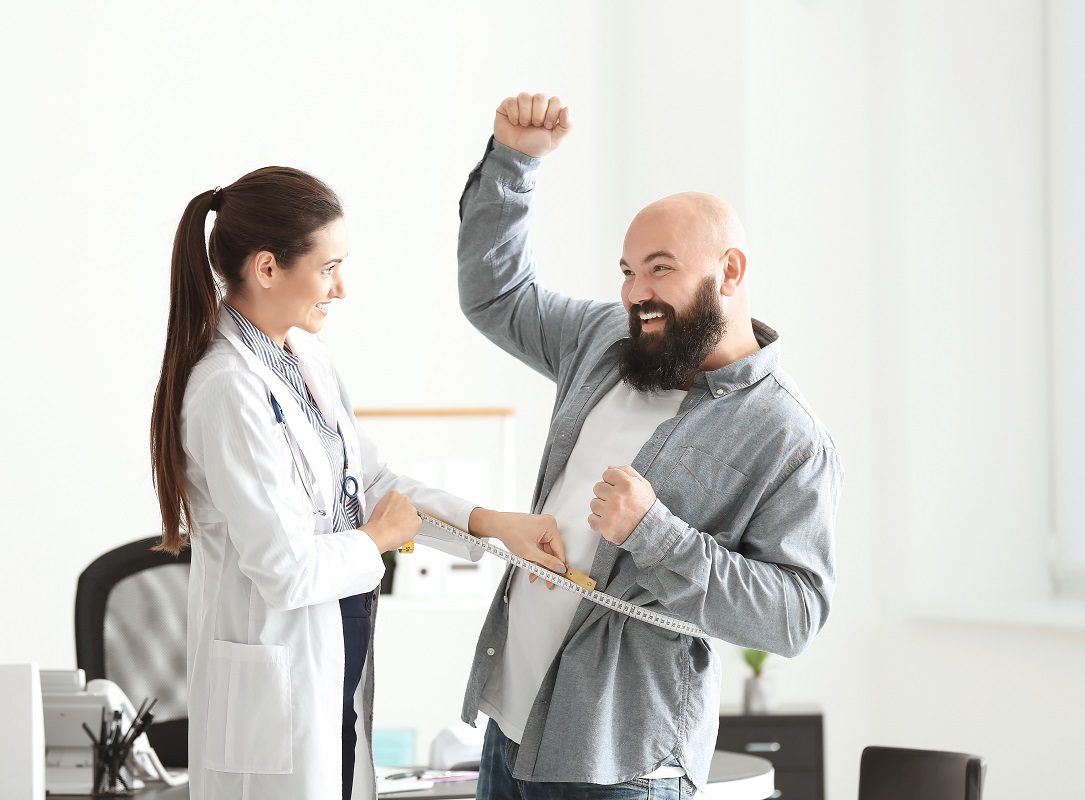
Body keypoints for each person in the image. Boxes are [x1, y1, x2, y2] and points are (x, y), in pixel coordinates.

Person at [456, 93, 842, 799]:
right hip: (508, 732)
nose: (637, 292)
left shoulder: (788, 438)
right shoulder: (604, 340)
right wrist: (513, 164)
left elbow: (794, 616)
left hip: (618, 765)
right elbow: (495, 294)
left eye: (660, 268)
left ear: (729, 272)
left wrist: (655, 535)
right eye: (628, 271)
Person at [149, 166, 568, 800]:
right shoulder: (227, 390)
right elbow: (285, 568)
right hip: (277, 688)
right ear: (267, 269)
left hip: (334, 651)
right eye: (328, 267)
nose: (341, 288)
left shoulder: (305, 359)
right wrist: (376, 540)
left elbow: (373, 484)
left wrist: (493, 525)